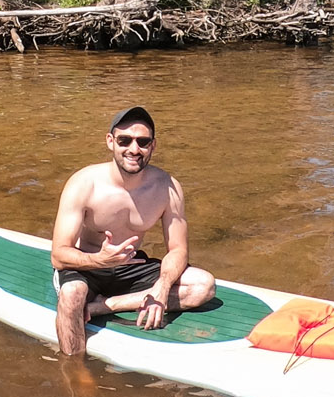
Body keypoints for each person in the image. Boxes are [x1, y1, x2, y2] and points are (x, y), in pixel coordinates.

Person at [50, 105, 216, 355]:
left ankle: (101, 307)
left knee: (204, 285)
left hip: (131, 266)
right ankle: (74, 373)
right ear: (110, 141)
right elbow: (58, 255)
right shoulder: (84, 184)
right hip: (88, 266)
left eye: (143, 142)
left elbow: (178, 249)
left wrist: (162, 286)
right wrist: (99, 259)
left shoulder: (167, 188)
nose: (134, 149)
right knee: (72, 294)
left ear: (153, 145)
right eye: (124, 140)